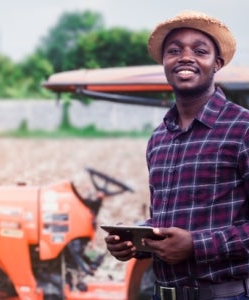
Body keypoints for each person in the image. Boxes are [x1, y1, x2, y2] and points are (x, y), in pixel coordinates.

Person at [104, 10, 249, 300]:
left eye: (199, 51)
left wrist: (196, 245)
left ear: (216, 63)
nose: (185, 57)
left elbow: (190, 238)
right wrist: (137, 239)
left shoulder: (242, 128)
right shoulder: (159, 138)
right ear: (165, 63)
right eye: (174, 51)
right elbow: (166, 219)